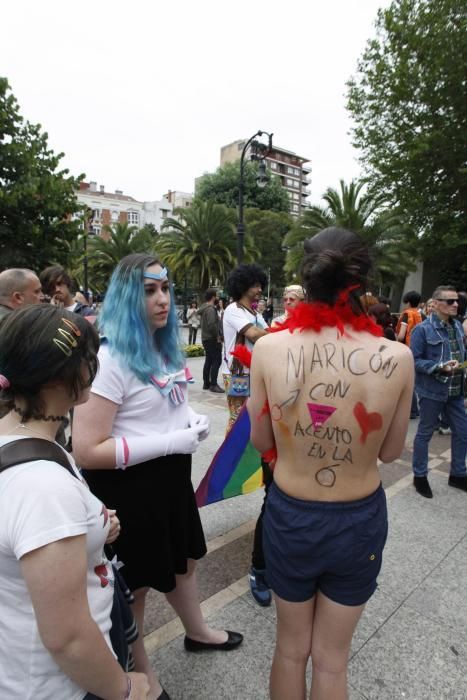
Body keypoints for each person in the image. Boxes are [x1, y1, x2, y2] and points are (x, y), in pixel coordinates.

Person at [247, 227, 413, 700]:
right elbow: (390, 452)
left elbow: (261, 439)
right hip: (357, 518)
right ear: (363, 280)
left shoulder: (269, 349)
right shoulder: (396, 357)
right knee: (332, 662)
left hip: (291, 513)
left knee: (289, 650)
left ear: (307, 277)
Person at [72, 254, 243, 700]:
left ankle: (198, 630)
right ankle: (139, 674)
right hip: (129, 494)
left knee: (184, 562)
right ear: (128, 296)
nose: (163, 299)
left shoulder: (161, 347)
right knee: (138, 588)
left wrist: (189, 420)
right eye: (150, 291)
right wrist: (171, 441)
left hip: (170, 483)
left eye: (166, 288)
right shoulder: (108, 359)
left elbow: (166, 402)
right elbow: (87, 450)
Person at [0, 304, 150, 700]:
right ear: (63, 377)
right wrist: (125, 689)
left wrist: (95, 526)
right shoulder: (42, 488)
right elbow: (68, 638)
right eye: (88, 358)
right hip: (59, 685)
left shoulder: (26, 440)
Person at [411, 286, 467, 498]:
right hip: (432, 391)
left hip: (456, 391)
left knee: (463, 432)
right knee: (424, 434)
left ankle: (458, 475)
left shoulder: (458, 328)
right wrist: (439, 366)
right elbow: (414, 360)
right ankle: (420, 476)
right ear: (435, 304)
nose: (455, 305)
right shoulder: (423, 330)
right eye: (450, 301)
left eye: (457, 301)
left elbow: (460, 352)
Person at [221, 263, 269, 431]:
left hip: (254, 372)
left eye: (260, 285)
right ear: (243, 285)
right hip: (237, 374)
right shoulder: (233, 309)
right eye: (256, 285)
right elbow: (254, 334)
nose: (260, 290)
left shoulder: (255, 313)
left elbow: (268, 332)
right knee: (237, 418)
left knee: (252, 418)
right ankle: (230, 456)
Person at [198, 288, 224, 393]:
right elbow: (212, 325)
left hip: (206, 338)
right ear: (213, 297)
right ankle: (213, 384)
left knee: (209, 360)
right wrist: (218, 336)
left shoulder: (205, 308)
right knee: (217, 360)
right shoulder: (210, 309)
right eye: (216, 296)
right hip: (212, 339)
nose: (217, 298)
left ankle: (206, 383)